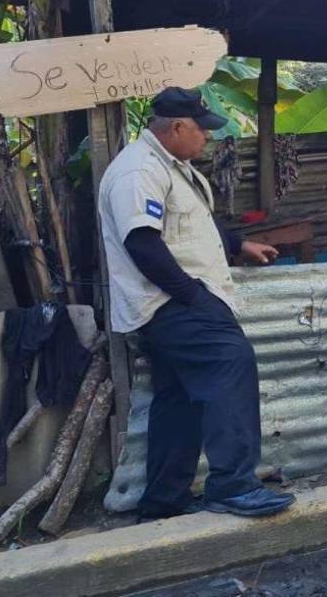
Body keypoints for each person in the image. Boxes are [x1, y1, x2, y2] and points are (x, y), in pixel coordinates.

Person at [98, 87, 294, 520]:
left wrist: (241, 244)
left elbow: (193, 228)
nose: (206, 138)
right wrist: (192, 297)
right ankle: (233, 485)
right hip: (169, 301)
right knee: (231, 359)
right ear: (178, 127)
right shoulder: (139, 171)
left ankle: (163, 501)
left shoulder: (173, 169)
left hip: (173, 302)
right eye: (201, 130)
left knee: (178, 396)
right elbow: (143, 244)